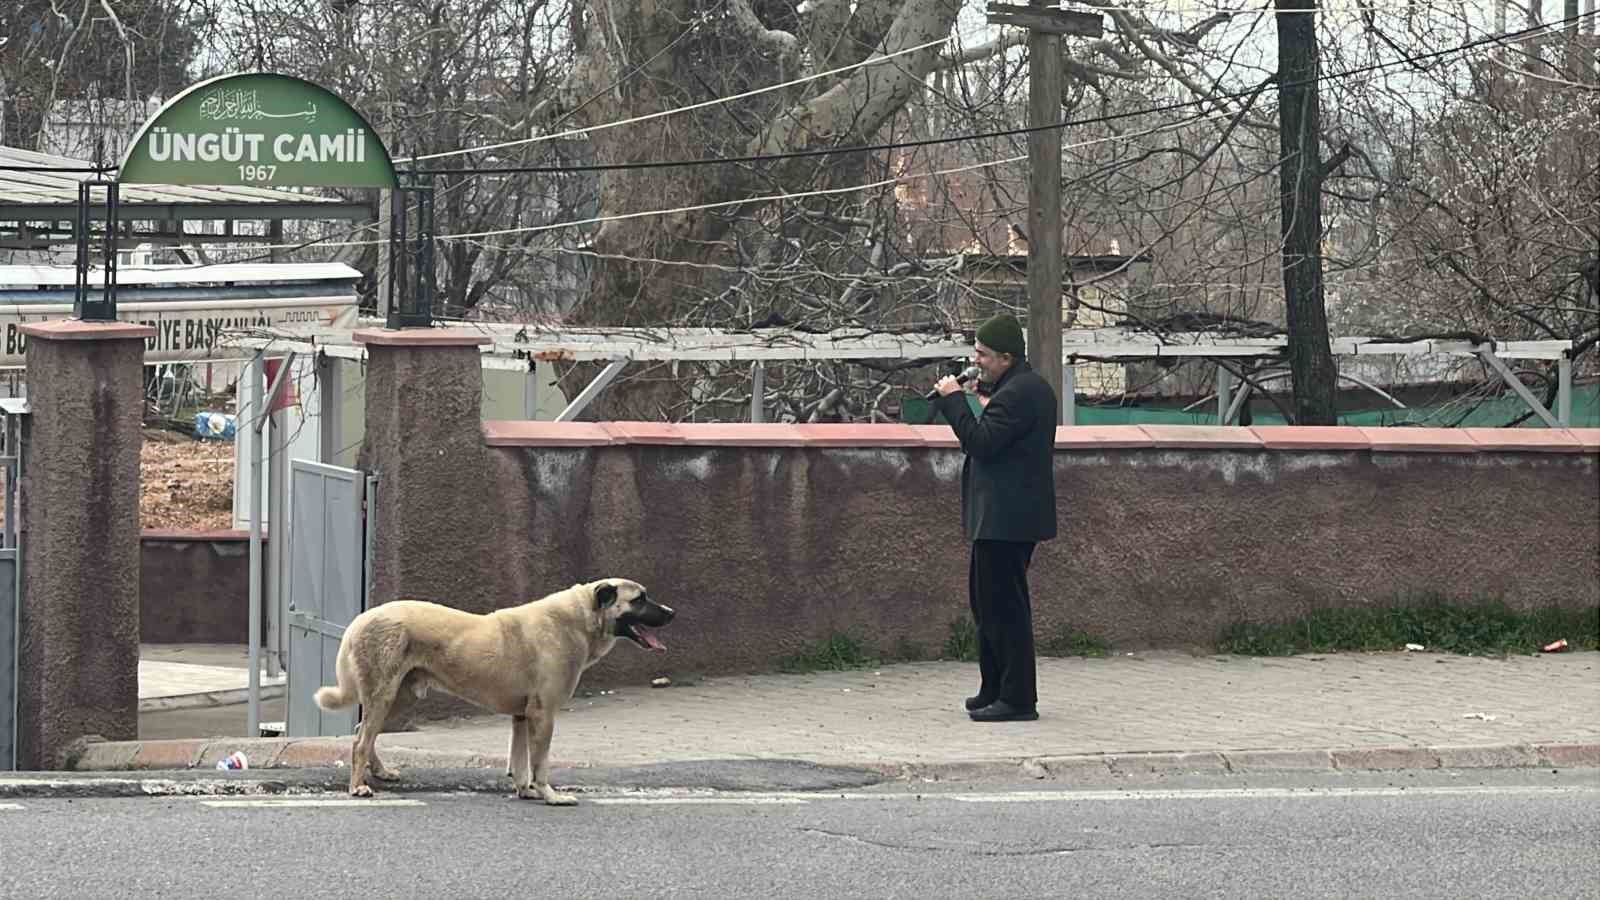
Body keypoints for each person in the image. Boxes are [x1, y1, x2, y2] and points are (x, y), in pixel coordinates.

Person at [930, 312, 1058, 722]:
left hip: (1008, 519)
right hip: (1000, 518)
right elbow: (1000, 432)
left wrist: (953, 399)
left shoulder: (1021, 392)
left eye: (983, 355)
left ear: (1006, 357)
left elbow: (981, 442)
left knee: (1005, 608)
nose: (977, 361)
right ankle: (994, 687)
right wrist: (979, 397)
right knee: (986, 604)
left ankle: (1018, 698)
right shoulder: (1017, 389)